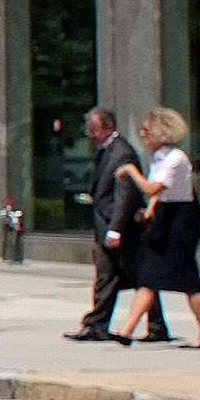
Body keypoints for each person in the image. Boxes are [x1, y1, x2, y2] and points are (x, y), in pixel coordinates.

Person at [114, 107, 200, 348]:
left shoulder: (176, 158)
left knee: (188, 280)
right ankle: (127, 330)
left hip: (181, 219)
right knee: (149, 276)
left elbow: (152, 188)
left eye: (147, 129)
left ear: (161, 132)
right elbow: (159, 195)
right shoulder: (159, 157)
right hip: (165, 216)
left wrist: (130, 171)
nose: (143, 133)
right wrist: (149, 211)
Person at [68, 108, 150, 343]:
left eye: (94, 130)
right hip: (105, 225)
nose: (91, 135)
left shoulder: (122, 153)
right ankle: (96, 324)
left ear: (109, 127)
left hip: (120, 228)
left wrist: (116, 228)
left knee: (140, 278)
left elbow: (125, 196)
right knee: (107, 275)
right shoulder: (106, 151)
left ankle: (156, 325)